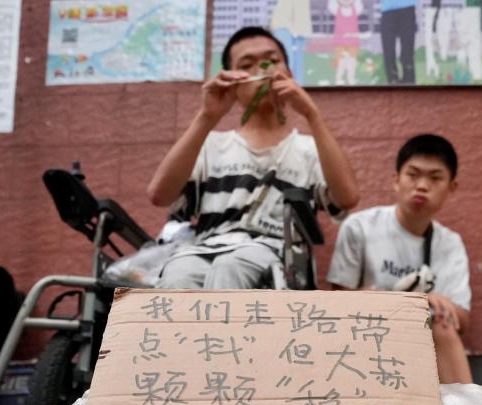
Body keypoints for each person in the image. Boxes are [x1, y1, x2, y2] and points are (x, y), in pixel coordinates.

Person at [147, 26, 359, 289]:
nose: (262, 70)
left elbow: (347, 198)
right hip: (204, 250)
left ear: (289, 75)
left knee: (233, 265)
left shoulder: (310, 149)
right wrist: (207, 116)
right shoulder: (210, 144)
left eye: (272, 61)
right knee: (178, 273)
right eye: (247, 65)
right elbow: (160, 195)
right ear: (232, 84)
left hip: (278, 257)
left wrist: (311, 114)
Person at [328, 134, 472, 384]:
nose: (422, 186)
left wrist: (434, 308)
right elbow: (338, 303)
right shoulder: (359, 227)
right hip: (367, 335)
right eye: (413, 175)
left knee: (443, 323)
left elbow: (462, 319)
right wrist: (414, 301)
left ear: (452, 188)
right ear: (396, 180)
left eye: (435, 178)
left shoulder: (450, 242)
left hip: (424, 344)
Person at [379, 0, 417, 84]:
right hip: (388, 9)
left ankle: (408, 79)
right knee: (389, 49)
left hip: (407, 7)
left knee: (407, 51)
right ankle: (393, 79)